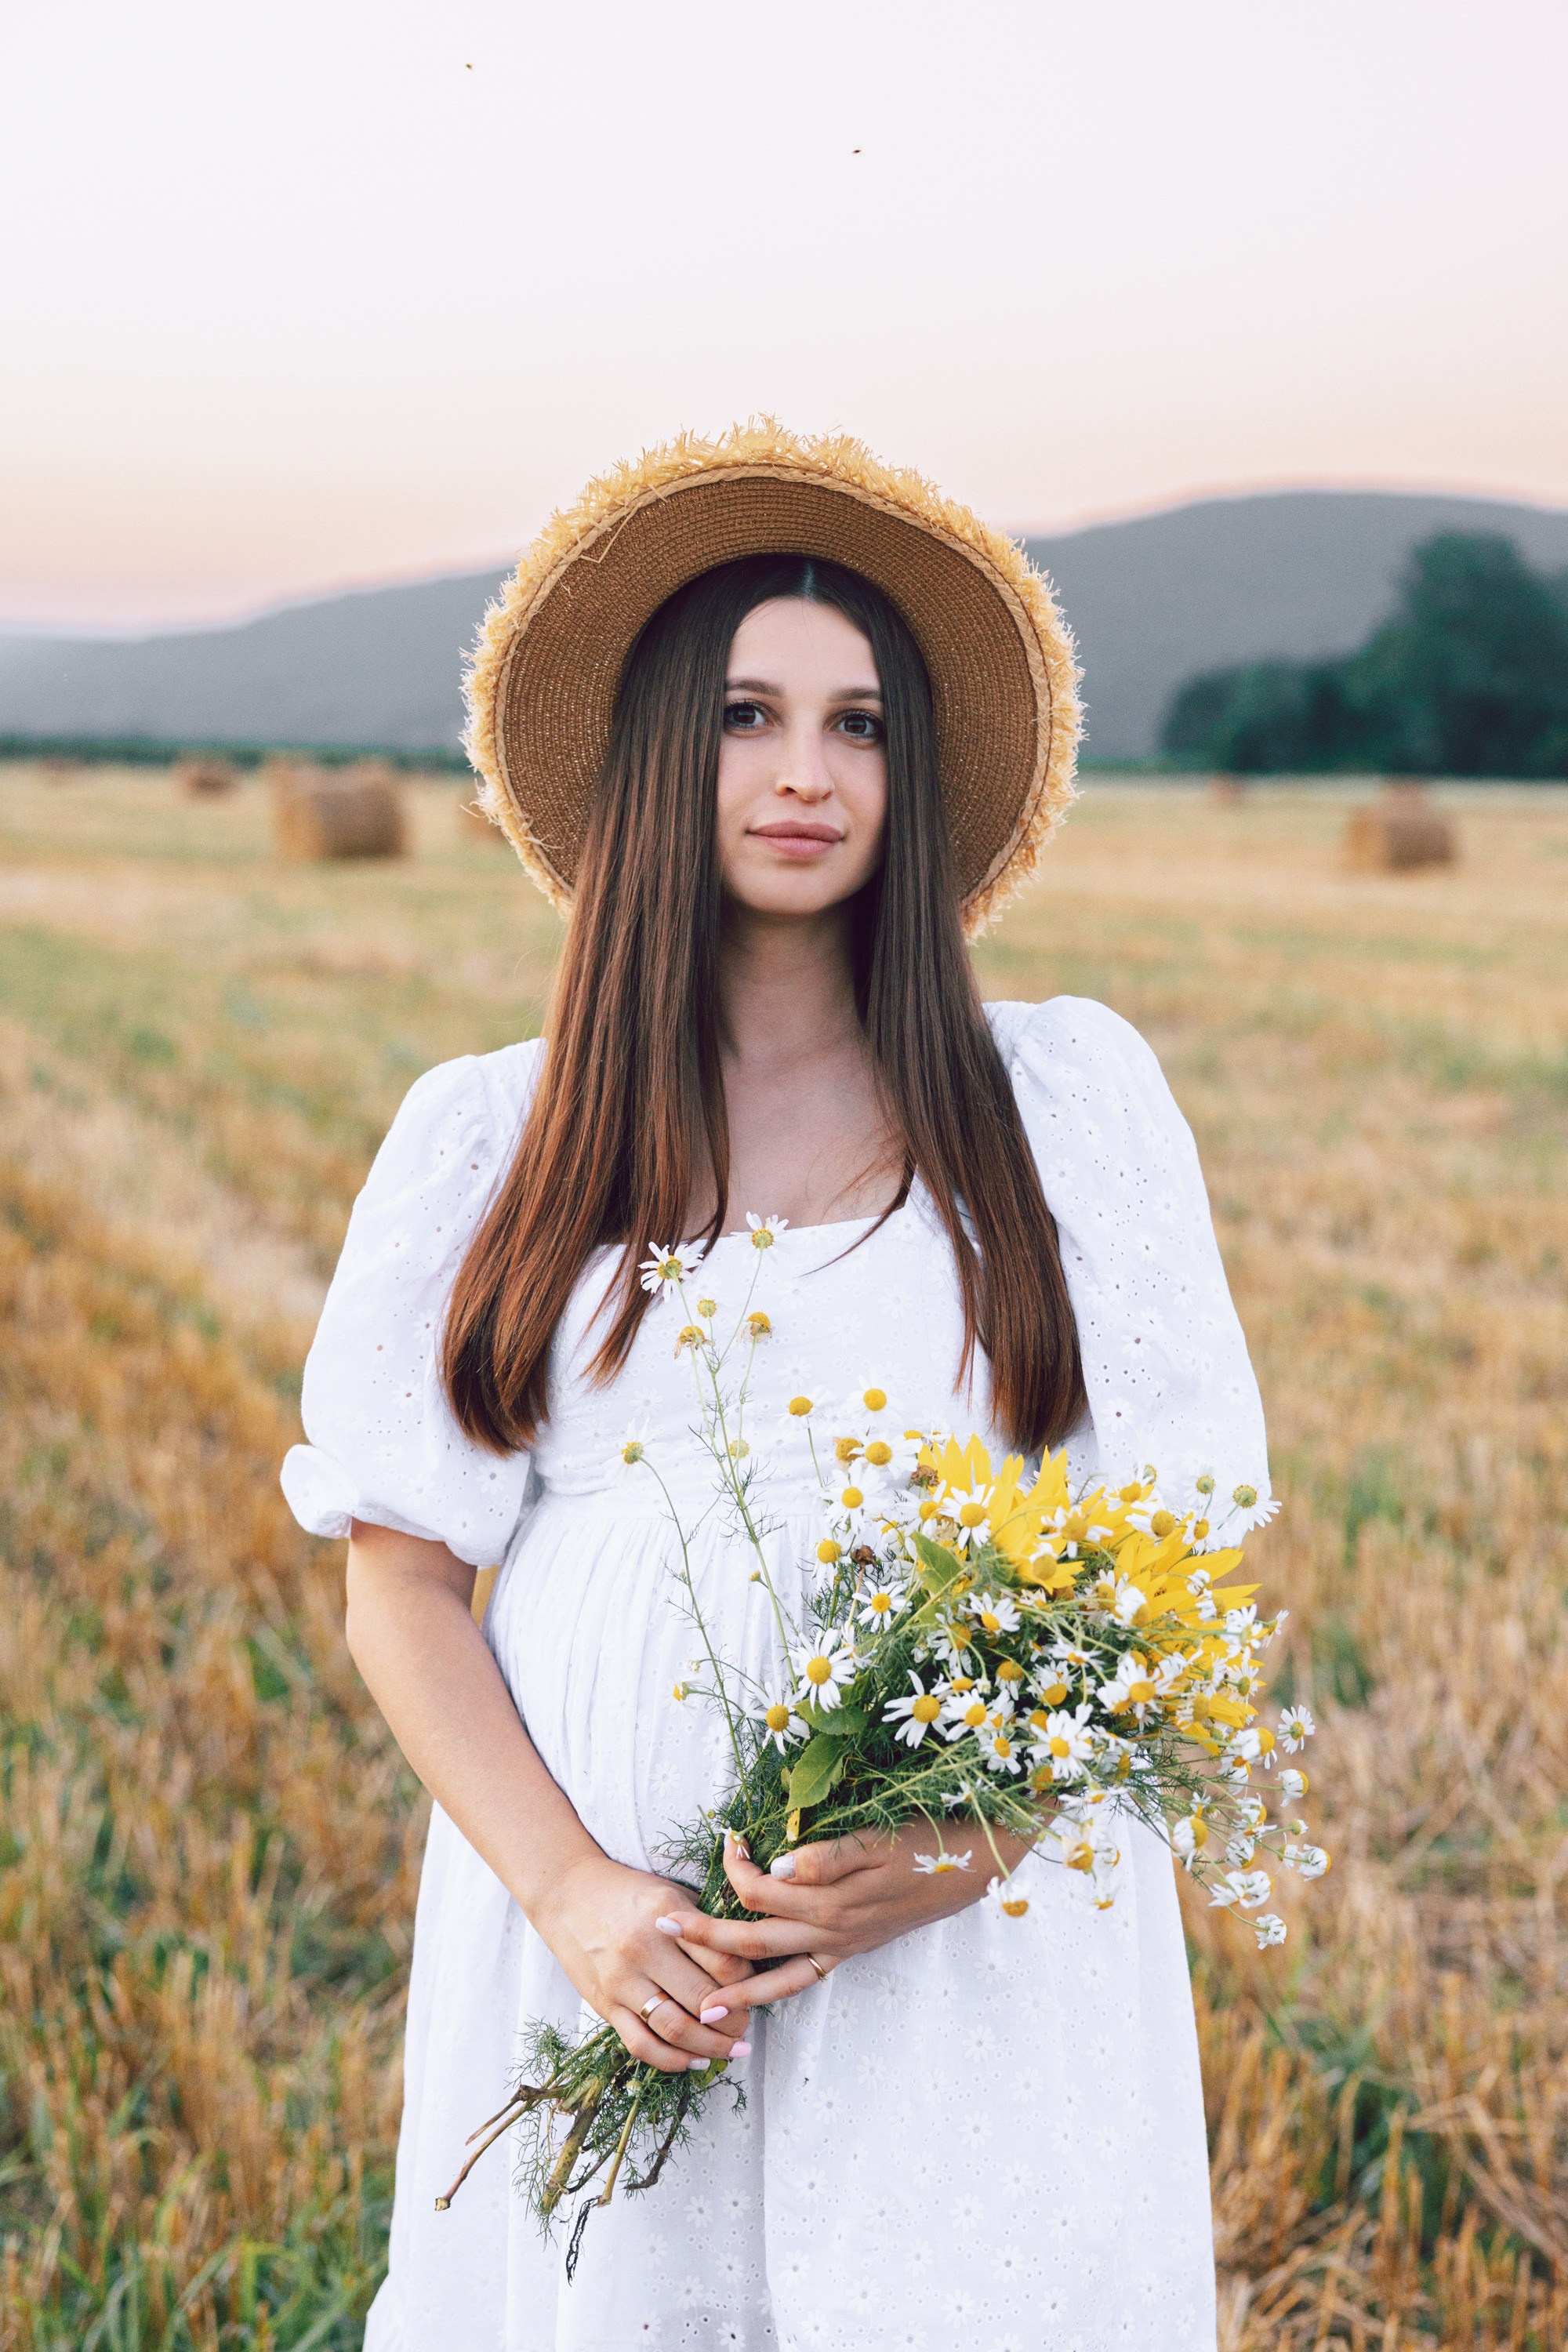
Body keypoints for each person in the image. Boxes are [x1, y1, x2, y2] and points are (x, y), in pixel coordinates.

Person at [281, 423, 1271, 2351]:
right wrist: (575, 1896)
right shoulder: (494, 1133)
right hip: (613, 1943)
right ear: (663, 754)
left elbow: (1184, 1543)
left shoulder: (1062, 1104)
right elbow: (400, 1578)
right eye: (747, 716)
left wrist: (958, 1845)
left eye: (862, 727)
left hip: (968, 1951)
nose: (808, 773)